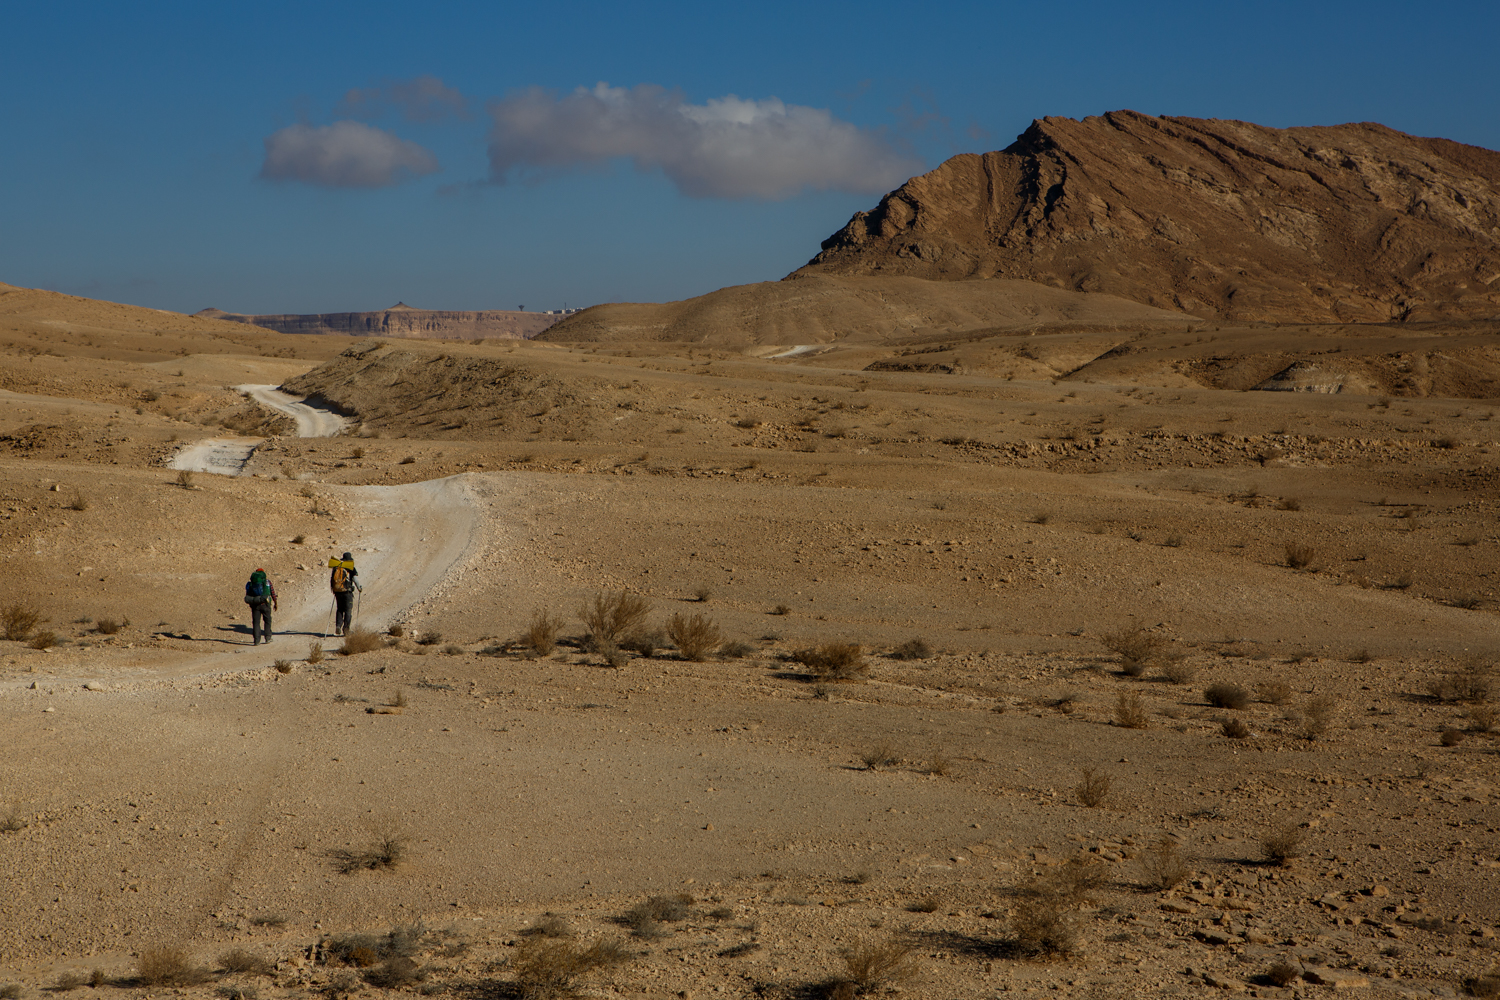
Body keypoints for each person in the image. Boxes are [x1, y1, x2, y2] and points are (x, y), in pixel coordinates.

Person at [329, 552, 362, 636]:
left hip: (337, 592)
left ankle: (338, 626)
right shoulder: (350, 567)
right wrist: (359, 588)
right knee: (348, 611)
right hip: (347, 592)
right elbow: (354, 579)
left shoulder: (337, 567)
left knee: (340, 609)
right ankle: (346, 630)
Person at [244, 567, 278, 645]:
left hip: (255, 605)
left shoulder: (251, 584)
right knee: (267, 621)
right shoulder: (267, 582)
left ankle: (256, 641)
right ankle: (268, 637)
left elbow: (248, 594)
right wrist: (275, 603)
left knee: (256, 623)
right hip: (265, 604)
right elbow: (272, 593)